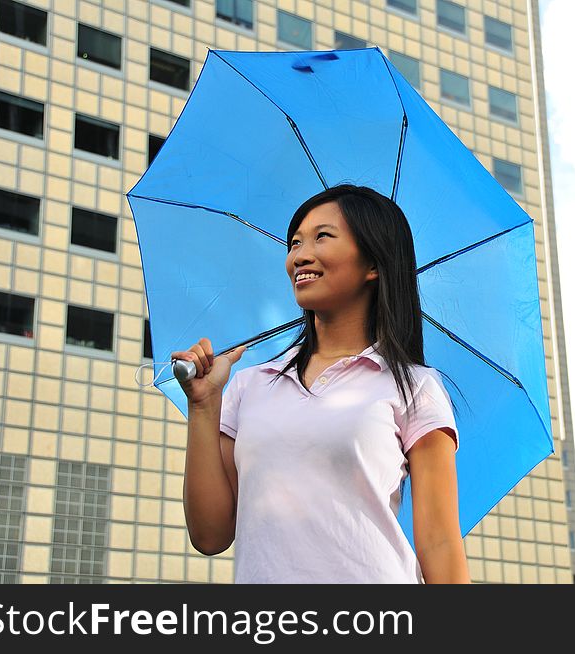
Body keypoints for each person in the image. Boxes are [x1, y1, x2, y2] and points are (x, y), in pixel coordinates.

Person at [172, 184, 470, 584]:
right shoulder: (249, 385)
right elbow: (210, 535)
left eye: (322, 237)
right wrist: (204, 406)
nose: (300, 255)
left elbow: (439, 543)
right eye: (294, 243)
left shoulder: (413, 386)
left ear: (373, 265)